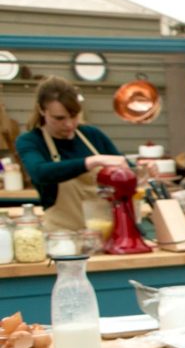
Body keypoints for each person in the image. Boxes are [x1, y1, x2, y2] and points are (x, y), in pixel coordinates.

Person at [14, 76, 127, 232]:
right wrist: (91, 162)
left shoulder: (92, 135)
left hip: (105, 234)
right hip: (63, 239)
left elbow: (124, 170)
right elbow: (39, 172)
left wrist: (141, 171)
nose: (69, 124)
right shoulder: (30, 141)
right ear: (41, 110)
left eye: (73, 116)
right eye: (59, 118)